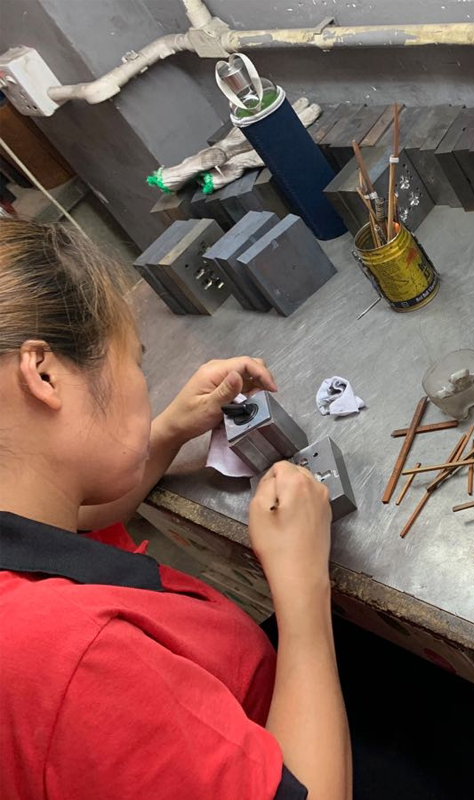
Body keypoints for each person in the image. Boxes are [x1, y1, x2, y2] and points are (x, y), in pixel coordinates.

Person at [0, 218, 351, 800]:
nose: (143, 382)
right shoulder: (80, 665)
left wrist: (164, 433)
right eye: (134, 362)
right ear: (44, 374)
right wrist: (302, 583)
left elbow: (67, 522)